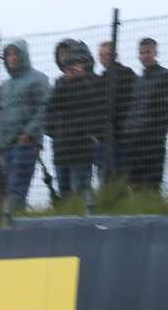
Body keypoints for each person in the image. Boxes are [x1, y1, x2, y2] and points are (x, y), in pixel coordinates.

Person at [46, 39, 109, 202]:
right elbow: (52, 107)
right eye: (61, 55)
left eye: (68, 55)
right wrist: (53, 133)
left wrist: (91, 135)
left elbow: (97, 108)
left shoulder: (95, 81)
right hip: (61, 146)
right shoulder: (60, 83)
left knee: (80, 192)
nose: (65, 60)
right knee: (65, 193)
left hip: (82, 146)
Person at [0, 39, 50, 212]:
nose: (12, 58)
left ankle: (12, 221)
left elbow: (44, 108)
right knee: (7, 188)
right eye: (8, 54)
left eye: (15, 53)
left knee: (16, 188)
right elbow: (0, 118)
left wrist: (29, 133)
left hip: (25, 143)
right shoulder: (5, 86)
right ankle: (12, 220)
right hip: (6, 147)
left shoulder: (38, 79)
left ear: (23, 55)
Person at [127, 39, 168, 195]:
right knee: (134, 186)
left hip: (153, 141)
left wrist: (158, 130)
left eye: (148, 52)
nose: (144, 56)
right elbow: (133, 107)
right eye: (141, 53)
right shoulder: (138, 80)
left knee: (151, 186)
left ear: (155, 53)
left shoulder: (165, 76)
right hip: (134, 140)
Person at [98, 39, 137, 181]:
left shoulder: (127, 74)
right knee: (105, 179)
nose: (104, 58)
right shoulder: (102, 78)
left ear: (115, 55)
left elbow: (133, 103)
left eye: (107, 54)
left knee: (122, 178)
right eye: (101, 55)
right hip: (104, 138)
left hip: (122, 137)